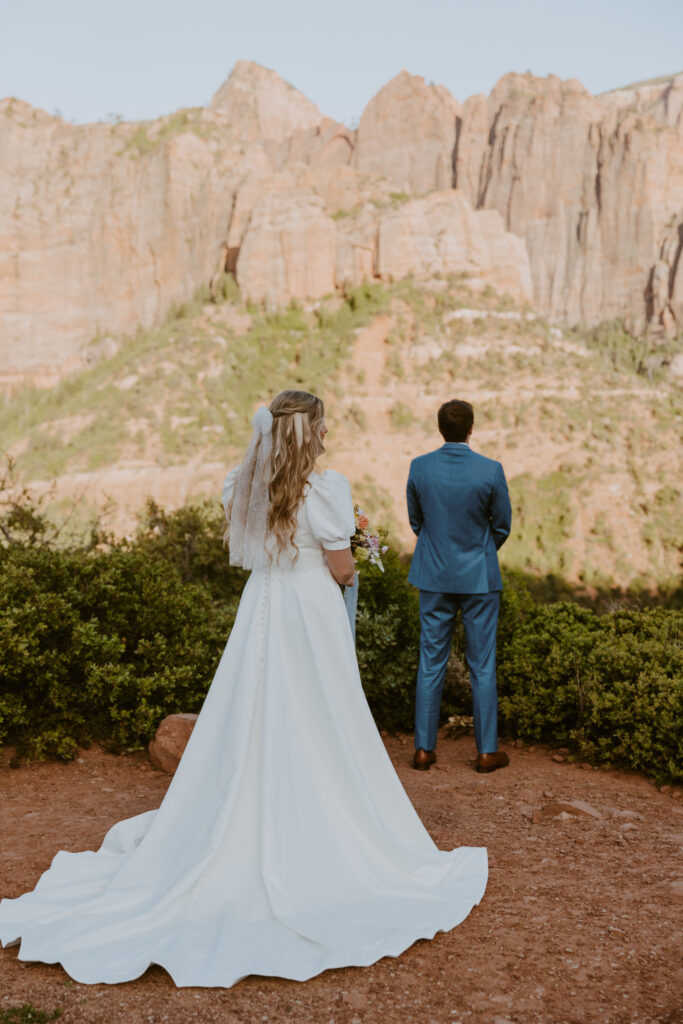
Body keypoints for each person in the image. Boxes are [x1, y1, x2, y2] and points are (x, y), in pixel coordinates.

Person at [0, 390, 487, 988]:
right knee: (319, 715)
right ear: (310, 433)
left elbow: (251, 544)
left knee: (252, 710)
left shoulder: (244, 483)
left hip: (262, 606)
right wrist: (355, 556)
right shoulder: (327, 488)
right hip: (307, 610)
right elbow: (339, 567)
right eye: (324, 427)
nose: (330, 435)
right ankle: (316, 817)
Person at [407, 399, 512, 774]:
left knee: (430, 660)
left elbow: (416, 521)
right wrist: (479, 551)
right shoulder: (490, 470)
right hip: (479, 576)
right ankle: (486, 752)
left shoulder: (419, 467)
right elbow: (502, 526)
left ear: (440, 429)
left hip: (433, 575)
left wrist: (440, 549)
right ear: (471, 428)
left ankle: (423, 749)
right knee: (482, 664)